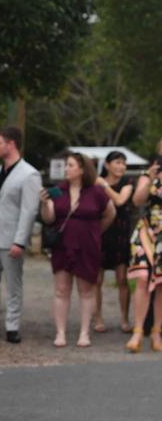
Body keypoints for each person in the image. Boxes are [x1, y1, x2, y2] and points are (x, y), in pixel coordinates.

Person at [39, 153, 115, 348]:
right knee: (61, 289)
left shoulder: (96, 192)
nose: (67, 169)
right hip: (62, 245)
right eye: (66, 165)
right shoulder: (58, 191)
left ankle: (84, 333)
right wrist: (45, 203)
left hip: (88, 246)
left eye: (70, 165)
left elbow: (110, 213)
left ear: (82, 169)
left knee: (86, 290)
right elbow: (49, 219)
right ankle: (61, 333)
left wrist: (96, 232)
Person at [0, 127, 42, 343]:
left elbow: (29, 210)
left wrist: (20, 241)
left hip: (11, 239)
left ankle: (12, 326)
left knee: (13, 285)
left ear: (11, 144)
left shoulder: (29, 174)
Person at [124, 157, 162, 353]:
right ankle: (138, 331)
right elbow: (137, 200)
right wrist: (150, 179)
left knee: (161, 284)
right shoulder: (149, 175)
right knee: (142, 278)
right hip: (147, 232)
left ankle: (156, 331)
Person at [94, 150, 133, 333]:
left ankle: (125, 318)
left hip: (121, 234)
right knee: (97, 280)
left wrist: (104, 186)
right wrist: (100, 184)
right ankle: (98, 317)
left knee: (122, 279)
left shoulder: (127, 183)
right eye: (117, 162)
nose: (121, 166)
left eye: (123, 163)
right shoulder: (96, 183)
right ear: (107, 165)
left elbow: (119, 200)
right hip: (101, 232)